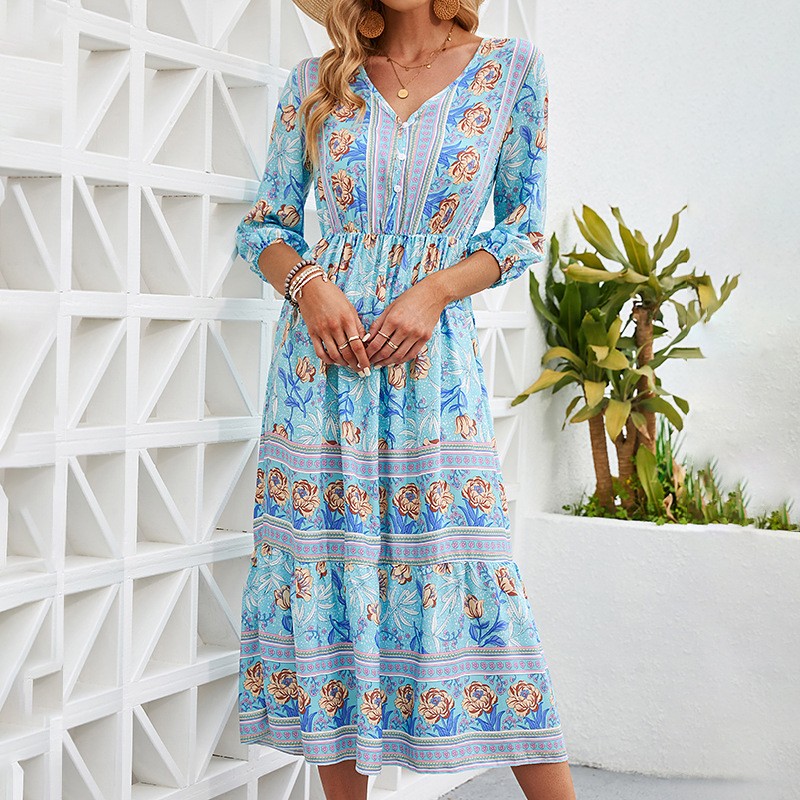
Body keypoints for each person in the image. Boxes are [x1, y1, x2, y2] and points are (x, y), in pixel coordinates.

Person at [235, 1, 576, 798]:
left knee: (473, 577)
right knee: (326, 576)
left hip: (431, 373)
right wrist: (309, 285)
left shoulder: (511, 71)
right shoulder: (317, 80)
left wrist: (433, 293)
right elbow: (265, 227)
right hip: (319, 374)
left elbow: (521, 230)